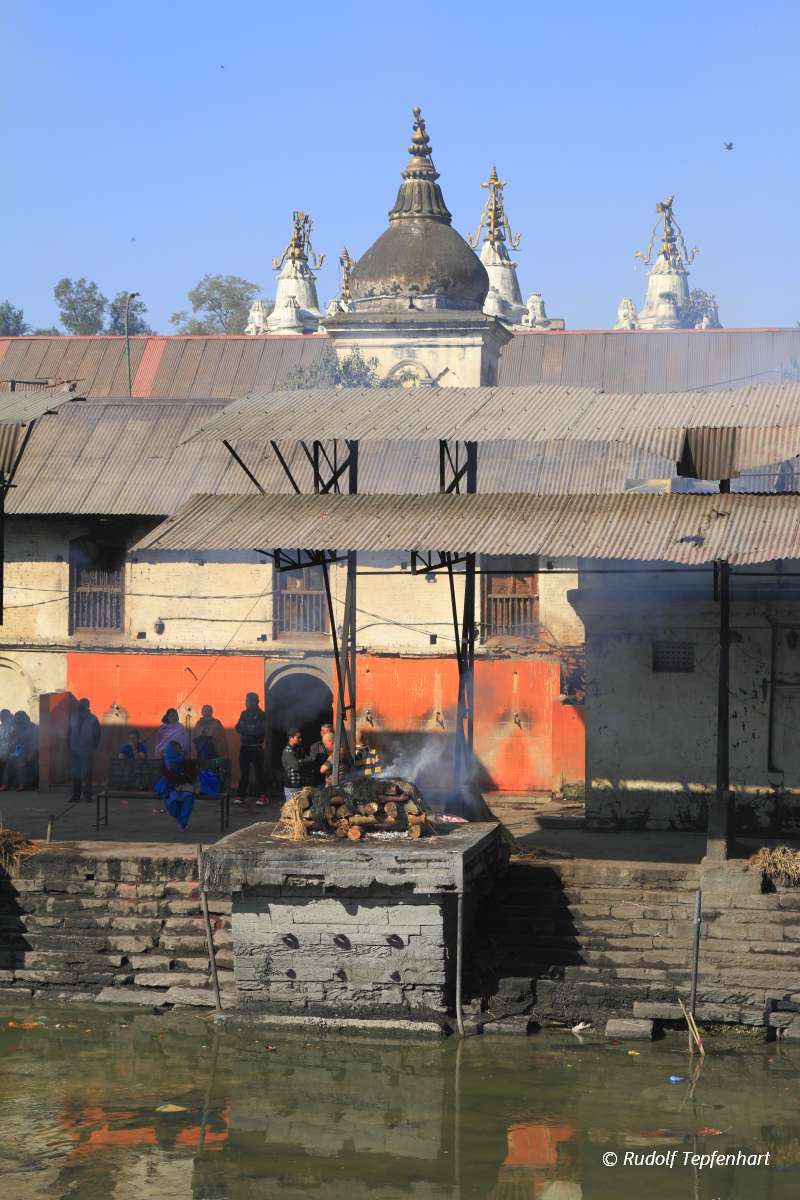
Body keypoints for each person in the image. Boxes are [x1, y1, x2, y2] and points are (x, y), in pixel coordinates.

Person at [157, 739, 197, 832]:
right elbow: (169, 778)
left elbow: (191, 775)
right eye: (176, 749)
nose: (179, 750)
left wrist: (183, 775)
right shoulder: (165, 763)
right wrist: (179, 777)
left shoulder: (184, 760)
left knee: (188, 797)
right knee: (172, 800)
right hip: (169, 786)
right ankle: (181, 820)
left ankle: (181, 822)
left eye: (179, 748)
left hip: (184, 787)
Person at [234, 692, 267, 806]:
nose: (246, 703)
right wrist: (250, 727)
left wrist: (246, 728)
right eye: (246, 700)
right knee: (244, 772)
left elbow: (259, 731)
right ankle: (241, 795)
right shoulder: (244, 714)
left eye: (248, 701)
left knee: (259, 773)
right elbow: (237, 728)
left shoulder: (262, 715)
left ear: (256, 702)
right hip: (244, 747)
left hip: (256, 747)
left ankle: (263, 796)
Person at [68, 697, 102, 803]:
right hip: (74, 749)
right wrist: (69, 746)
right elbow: (68, 732)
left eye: (83, 705)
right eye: (80, 705)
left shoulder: (93, 719)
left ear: (87, 706)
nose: (80, 707)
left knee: (87, 773)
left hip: (87, 750)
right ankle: (76, 795)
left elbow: (97, 735)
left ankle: (87, 795)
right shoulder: (73, 718)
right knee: (75, 773)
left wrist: (93, 748)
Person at [1, 711, 38, 792]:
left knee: (20, 764)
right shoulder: (17, 727)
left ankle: (22, 784)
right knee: (9, 763)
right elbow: (15, 740)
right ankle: (4, 784)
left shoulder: (32, 727)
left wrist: (31, 753)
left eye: (18, 719)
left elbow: (34, 742)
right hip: (19, 750)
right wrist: (12, 744)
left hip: (28, 751)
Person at [281, 728, 312, 802]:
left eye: (301, 737)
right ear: (290, 738)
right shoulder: (288, 751)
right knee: (293, 810)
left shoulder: (299, 749)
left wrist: (304, 761)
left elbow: (307, 760)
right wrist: (305, 761)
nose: (300, 739)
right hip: (292, 786)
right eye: (298, 737)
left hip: (301, 785)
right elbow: (296, 766)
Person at [0, 710, 13, 787]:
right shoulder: (0, 727)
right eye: (1, 716)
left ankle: (4, 784)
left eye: (3, 716)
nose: (1, 718)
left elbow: (14, 739)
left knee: (6, 767)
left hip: (9, 750)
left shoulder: (11, 727)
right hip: (1, 750)